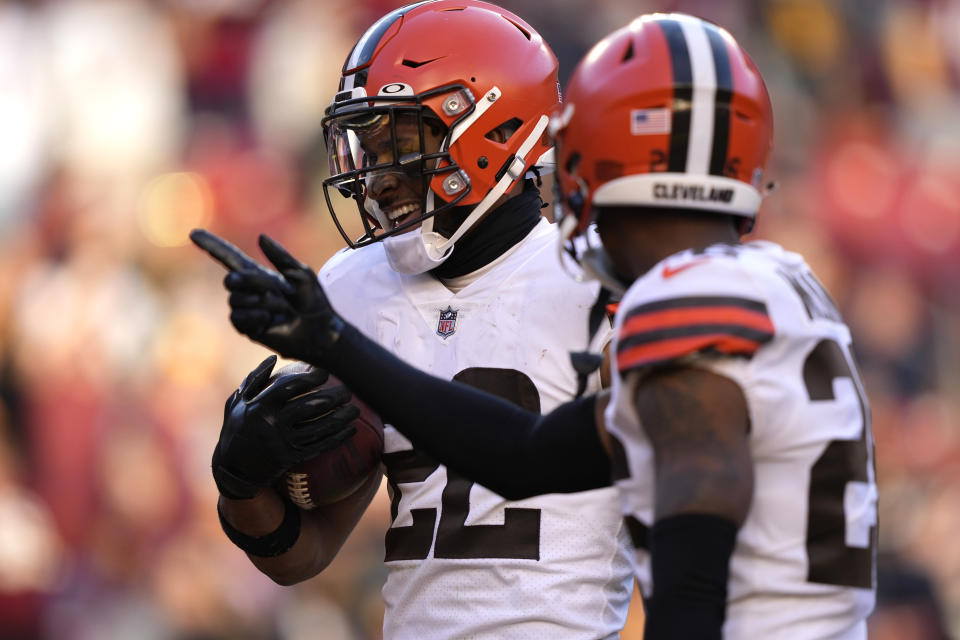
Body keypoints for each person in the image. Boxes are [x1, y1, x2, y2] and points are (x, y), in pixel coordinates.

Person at [193, 12, 879, 640]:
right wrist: (252, 464)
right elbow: (528, 455)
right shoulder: (782, 285)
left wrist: (335, 344)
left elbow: (694, 576)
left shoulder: (674, 304)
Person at [205, 2, 635, 639]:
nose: (374, 177)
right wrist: (242, 483)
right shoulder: (355, 285)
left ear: (492, 126)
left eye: (400, 140)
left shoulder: (600, 278)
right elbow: (301, 557)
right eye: (365, 145)